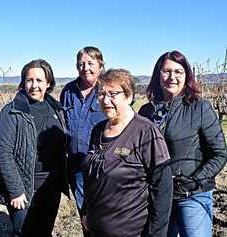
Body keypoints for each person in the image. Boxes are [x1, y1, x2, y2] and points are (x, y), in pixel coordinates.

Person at [138, 50, 227, 237]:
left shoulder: (200, 108)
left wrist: (194, 181)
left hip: (192, 195)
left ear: (186, 76)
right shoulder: (146, 112)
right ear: (157, 75)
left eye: (178, 72)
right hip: (158, 196)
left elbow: (219, 153)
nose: (172, 77)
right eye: (166, 71)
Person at [82, 68, 173, 237]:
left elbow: (163, 188)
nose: (105, 100)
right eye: (101, 94)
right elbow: (92, 178)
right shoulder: (98, 130)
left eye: (113, 94)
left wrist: (156, 233)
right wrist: (86, 212)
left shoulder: (145, 132)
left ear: (129, 96)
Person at [0, 59, 69, 237]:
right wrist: (16, 191)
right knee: (25, 232)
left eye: (39, 80)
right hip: (24, 185)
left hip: (51, 185)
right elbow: (3, 153)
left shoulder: (56, 109)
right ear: (23, 82)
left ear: (48, 83)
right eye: (29, 80)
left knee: (45, 230)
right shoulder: (12, 112)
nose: (34, 85)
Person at [60, 46, 106, 235]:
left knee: (104, 212)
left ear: (100, 66)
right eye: (81, 63)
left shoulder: (107, 89)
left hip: (102, 164)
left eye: (90, 63)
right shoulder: (68, 91)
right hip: (76, 164)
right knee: (85, 214)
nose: (85, 67)